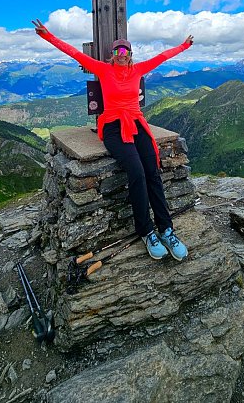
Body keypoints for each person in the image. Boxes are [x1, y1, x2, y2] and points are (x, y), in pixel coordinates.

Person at [32, 19, 194, 262]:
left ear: (130, 55)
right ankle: (147, 231)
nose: (121, 55)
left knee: (152, 171)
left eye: (125, 51)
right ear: (112, 55)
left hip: (136, 123)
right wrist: (48, 36)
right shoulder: (103, 69)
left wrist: (184, 46)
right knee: (137, 172)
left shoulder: (137, 70)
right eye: (117, 51)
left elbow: (163, 57)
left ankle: (167, 230)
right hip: (113, 128)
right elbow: (74, 52)